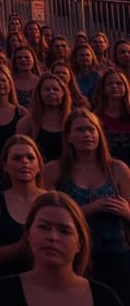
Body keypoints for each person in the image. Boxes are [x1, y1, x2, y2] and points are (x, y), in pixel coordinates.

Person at [44, 108, 130, 303]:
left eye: (92, 130)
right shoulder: (54, 170)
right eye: (80, 130)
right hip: (72, 257)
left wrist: (126, 212)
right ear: (69, 137)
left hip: (116, 254)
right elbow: (49, 216)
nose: (87, 135)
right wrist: (93, 207)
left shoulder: (117, 169)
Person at [0, 191, 123, 306]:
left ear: (79, 243)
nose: (53, 237)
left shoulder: (104, 298)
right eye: (43, 227)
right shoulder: (4, 293)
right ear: (28, 233)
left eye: (64, 231)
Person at [0, 134, 43, 283]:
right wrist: (21, 246)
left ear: (39, 165)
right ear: (5, 166)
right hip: (7, 286)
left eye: (30, 158)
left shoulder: (52, 200)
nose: (24, 162)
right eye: (17, 158)